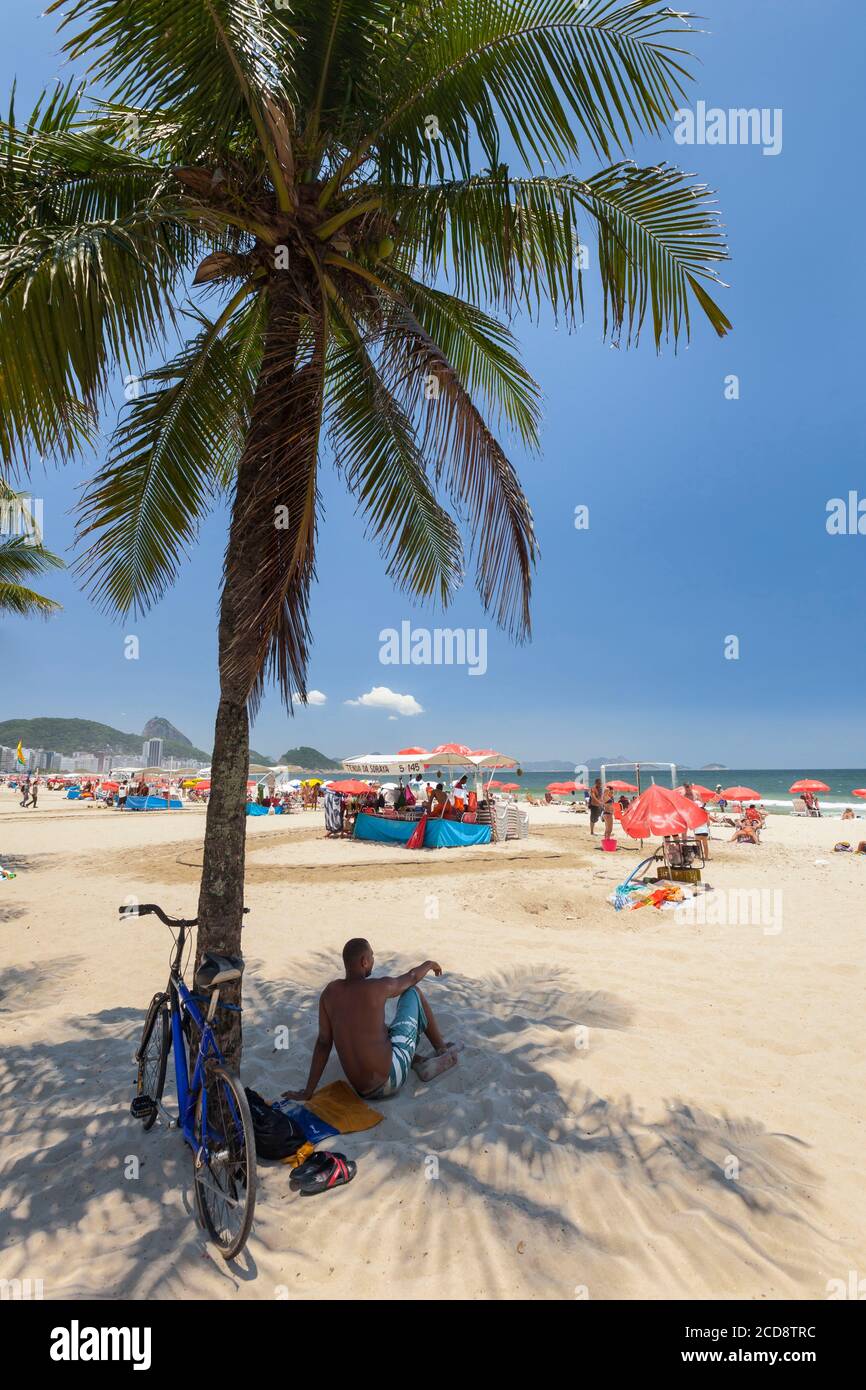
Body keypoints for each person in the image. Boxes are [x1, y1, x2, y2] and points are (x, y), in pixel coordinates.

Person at [283, 939, 458, 1102]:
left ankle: (418, 1061)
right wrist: (429, 964)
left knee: (379, 1028)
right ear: (364, 961)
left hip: (361, 1090)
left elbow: (323, 1043)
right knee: (413, 993)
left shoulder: (329, 993)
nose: (373, 960)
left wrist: (308, 1091)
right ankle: (441, 1049)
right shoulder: (376, 987)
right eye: (372, 956)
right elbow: (412, 977)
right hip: (391, 1080)